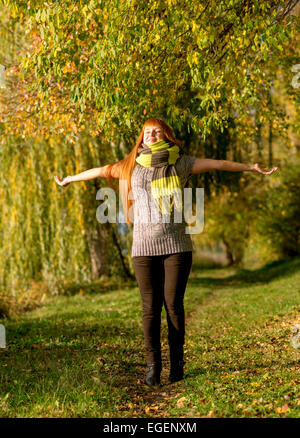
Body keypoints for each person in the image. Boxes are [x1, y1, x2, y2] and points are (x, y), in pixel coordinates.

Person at [54, 118, 278, 386]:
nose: (151, 134)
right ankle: (152, 367)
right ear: (142, 137)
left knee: (173, 306)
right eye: (147, 131)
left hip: (177, 246)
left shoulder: (180, 163)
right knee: (150, 308)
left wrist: (251, 168)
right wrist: (69, 178)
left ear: (166, 135)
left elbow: (218, 164)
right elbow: (100, 171)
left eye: (156, 130)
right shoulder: (130, 166)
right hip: (143, 247)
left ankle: (177, 365)